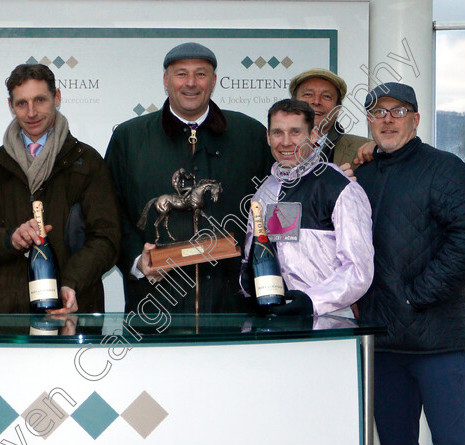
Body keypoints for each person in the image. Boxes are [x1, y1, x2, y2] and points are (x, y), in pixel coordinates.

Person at [356, 82, 465, 445]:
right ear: (370, 121)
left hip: (437, 340)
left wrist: (417, 294)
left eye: (399, 111)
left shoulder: (445, 168)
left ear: (415, 119)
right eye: (378, 111)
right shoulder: (361, 176)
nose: (387, 118)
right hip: (384, 340)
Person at [106, 42, 272, 313]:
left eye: (201, 74)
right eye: (181, 74)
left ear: (214, 80)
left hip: (233, 309)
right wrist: (136, 259)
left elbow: (274, 202)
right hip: (153, 307)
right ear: (166, 80)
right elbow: (110, 213)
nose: (191, 83)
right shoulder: (129, 138)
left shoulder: (251, 135)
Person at [0, 64, 119, 313]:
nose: (31, 112)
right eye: (22, 103)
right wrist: (10, 239)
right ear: (11, 106)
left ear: (57, 98)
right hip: (6, 320)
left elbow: (107, 238)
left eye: (40, 100)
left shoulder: (88, 162)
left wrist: (70, 282)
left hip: (73, 311)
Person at [240, 98, 373, 316]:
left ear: (313, 136)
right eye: (277, 133)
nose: (285, 142)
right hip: (276, 322)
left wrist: (312, 302)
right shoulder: (264, 191)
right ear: (268, 137)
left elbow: (359, 269)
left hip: (329, 322)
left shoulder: (339, 187)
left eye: (295, 132)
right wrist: (248, 285)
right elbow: (251, 258)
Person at [289, 68, 371, 171]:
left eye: (326, 96)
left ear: (338, 109)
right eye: (308, 94)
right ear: (293, 104)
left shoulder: (364, 149)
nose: (316, 101)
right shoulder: (273, 148)